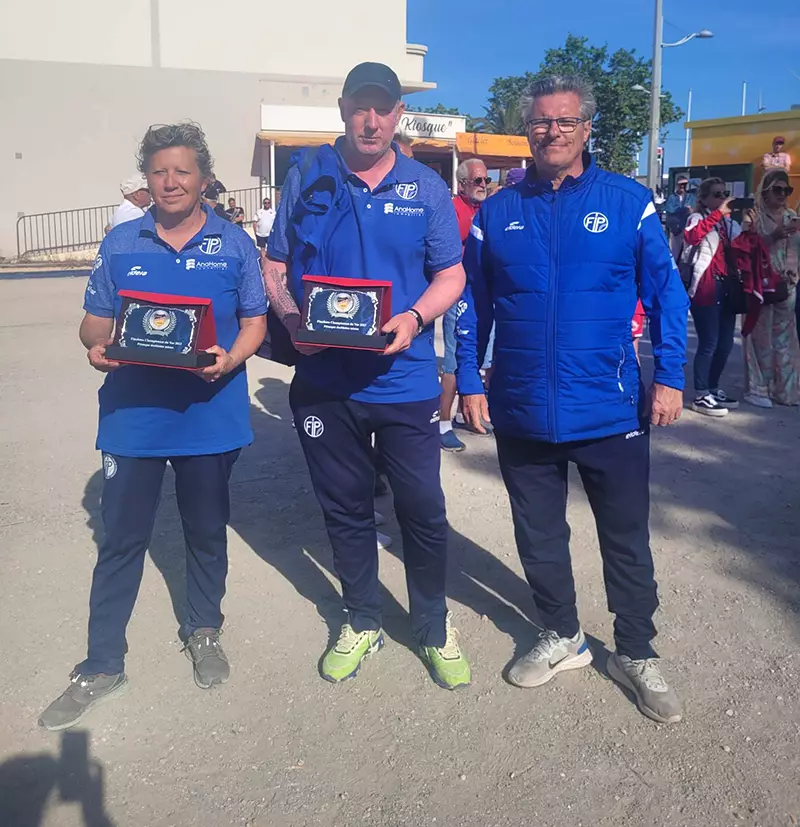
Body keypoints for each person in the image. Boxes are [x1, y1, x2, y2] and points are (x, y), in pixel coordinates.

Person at [456, 74, 688, 725]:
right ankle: (563, 634)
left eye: (564, 121)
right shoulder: (499, 213)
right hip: (523, 406)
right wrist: (470, 380)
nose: (551, 131)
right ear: (526, 128)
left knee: (625, 539)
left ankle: (636, 652)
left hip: (609, 408)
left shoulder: (627, 202)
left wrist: (669, 377)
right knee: (538, 534)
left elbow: (668, 294)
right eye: (540, 121)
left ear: (587, 128)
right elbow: (473, 303)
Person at [38, 122, 267, 731]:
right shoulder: (121, 242)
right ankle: (102, 663)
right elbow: (92, 324)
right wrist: (100, 345)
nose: (170, 181)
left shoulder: (234, 244)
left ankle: (204, 630)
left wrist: (233, 359)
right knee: (119, 541)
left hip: (209, 416)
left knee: (206, 531)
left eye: (182, 171)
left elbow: (254, 321)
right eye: (159, 171)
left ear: (203, 178)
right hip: (132, 420)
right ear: (147, 177)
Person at [263, 61, 471, 689]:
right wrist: (294, 319)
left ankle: (433, 626)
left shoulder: (426, 188)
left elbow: (452, 275)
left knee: (423, 510)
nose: (372, 119)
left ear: (399, 114)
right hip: (325, 381)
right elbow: (274, 264)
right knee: (345, 508)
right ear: (344, 109)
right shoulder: (307, 175)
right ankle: (362, 618)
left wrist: (413, 317)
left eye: (384, 107)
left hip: (403, 381)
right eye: (361, 106)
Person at [439, 159, 493, 453]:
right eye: (477, 180)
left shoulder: (487, 210)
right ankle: (443, 424)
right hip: (457, 293)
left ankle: (466, 414)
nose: (484, 185)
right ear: (462, 184)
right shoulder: (451, 209)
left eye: (486, 180)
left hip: (484, 294)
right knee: (452, 362)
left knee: (479, 359)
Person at [741, 169, 800, 407]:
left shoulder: (791, 216)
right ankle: (759, 389)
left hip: (787, 285)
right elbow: (745, 249)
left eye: (787, 190)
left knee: (786, 340)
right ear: (765, 191)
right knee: (760, 340)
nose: (783, 194)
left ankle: (786, 391)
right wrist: (773, 235)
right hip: (760, 285)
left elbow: (796, 248)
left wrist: (794, 273)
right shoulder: (753, 216)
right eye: (778, 189)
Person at [683, 178, 741, 417]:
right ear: (705, 198)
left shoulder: (727, 223)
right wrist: (718, 214)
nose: (721, 198)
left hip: (727, 285)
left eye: (724, 194)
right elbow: (692, 237)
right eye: (717, 194)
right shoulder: (698, 218)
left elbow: (743, 245)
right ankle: (701, 393)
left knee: (725, 344)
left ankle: (714, 387)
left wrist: (750, 225)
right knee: (709, 342)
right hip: (706, 285)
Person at [664, 175, 695, 260]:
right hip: (676, 229)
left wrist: (690, 181)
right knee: (675, 253)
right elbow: (670, 211)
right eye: (680, 184)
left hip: (688, 228)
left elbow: (694, 210)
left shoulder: (691, 196)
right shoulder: (672, 197)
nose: (682, 186)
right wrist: (684, 210)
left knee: (687, 254)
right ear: (677, 185)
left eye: (684, 184)